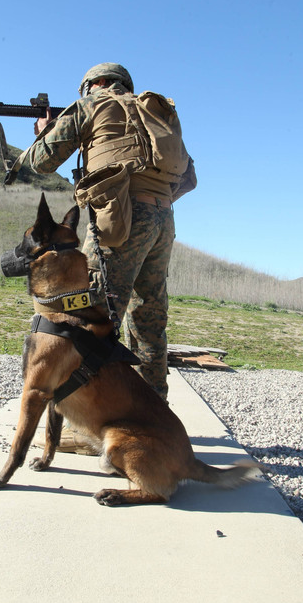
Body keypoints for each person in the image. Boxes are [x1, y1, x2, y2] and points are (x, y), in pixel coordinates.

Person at [30, 62, 195, 404]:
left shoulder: (91, 105)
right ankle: (153, 411)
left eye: (86, 88)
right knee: (149, 317)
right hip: (162, 220)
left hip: (118, 220)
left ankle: (88, 417)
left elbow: (42, 162)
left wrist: (45, 130)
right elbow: (189, 178)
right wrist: (151, 198)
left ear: (98, 83)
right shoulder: (154, 113)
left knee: (92, 313)